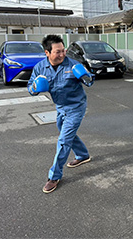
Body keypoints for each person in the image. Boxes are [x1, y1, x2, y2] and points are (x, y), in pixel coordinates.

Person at [28, 34, 94, 194]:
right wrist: (35, 88)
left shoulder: (73, 64)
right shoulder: (40, 68)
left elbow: (90, 81)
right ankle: (83, 155)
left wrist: (86, 76)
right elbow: (30, 87)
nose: (62, 54)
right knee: (67, 134)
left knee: (64, 140)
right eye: (57, 52)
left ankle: (54, 176)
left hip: (76, 107)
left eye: (63, 50)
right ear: (47, 53)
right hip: (61, 108)